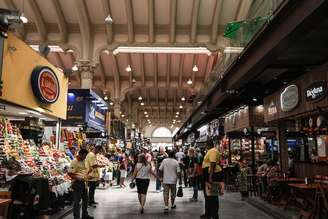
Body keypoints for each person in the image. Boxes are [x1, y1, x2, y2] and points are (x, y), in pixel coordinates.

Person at [68, 149, 93, 219]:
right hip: (77, 184)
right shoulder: (74, 162)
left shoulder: (84, 161)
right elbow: (70, 173)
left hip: (84, 183)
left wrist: (88, 174)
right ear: (81, 154)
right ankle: (76, 217)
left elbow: (84, 171)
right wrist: (77, 178)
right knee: (77, 202)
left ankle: (85, 215)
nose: (85, 157)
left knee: (86, 200)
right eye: (84, 156)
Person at [201, 139, 222, 219]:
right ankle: (208, 213)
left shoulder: (213, 151)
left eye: (205, 144)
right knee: (207, 195)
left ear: (207, 144)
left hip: (211, 174)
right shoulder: (210, 150)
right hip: (208, 173)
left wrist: (210, 176)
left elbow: (212, 163)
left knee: (212, 195)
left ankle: (214, 215)